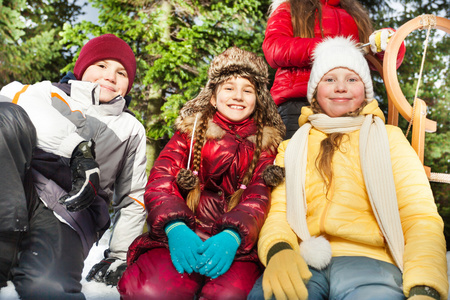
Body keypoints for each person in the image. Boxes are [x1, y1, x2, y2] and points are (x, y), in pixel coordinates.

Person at [247, 36, 448, 300]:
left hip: (372, 263)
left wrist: (425, 287)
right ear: (315, 91)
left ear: (365, 90)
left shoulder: (390, 138)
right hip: (303, 259)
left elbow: (418, 216)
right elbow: (278, 212)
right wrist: (278, 251)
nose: (340, 87)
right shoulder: (293, 145)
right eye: (330, 79)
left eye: (352, 79)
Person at [117, 47, 286, 299]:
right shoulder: (189, 134)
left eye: (247, 90)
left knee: (231, 295)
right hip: (182, 234)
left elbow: (259, 195)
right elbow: (161, 179)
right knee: (148, 290)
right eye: (229, 88)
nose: (238, 96)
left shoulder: (266, 146)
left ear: (257, 99)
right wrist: (175, 227)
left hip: (236, 247)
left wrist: (233, 235)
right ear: (213, 97)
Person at [0, 34, 147, 299]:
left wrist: (119, 255)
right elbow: (9, 98)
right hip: (19, 192)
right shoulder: (48, 92)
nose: (111, 76)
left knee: (49, 290)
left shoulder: (130, 128)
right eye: (101, 65)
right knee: (7, 117)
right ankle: (4, 243)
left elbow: (133, 197)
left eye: (121, 72)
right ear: (82, 68)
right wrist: (77, 150)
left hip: (69, 217)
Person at [263, 0, 406, 139]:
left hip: (348, 105)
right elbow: (274, 48)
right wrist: (328, 47)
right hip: (298, 101)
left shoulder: (355, 14)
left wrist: (388, 43)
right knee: (294, 159)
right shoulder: (289, 6)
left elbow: (378, 59)